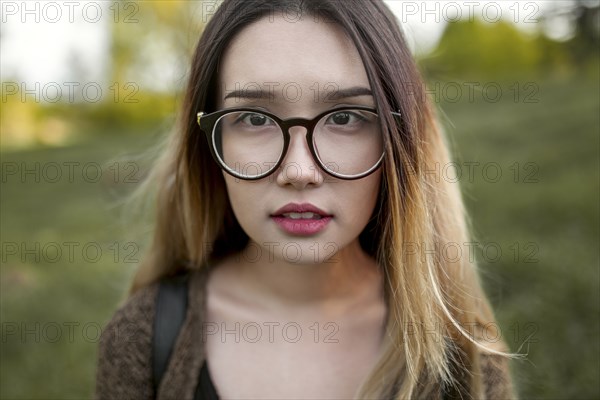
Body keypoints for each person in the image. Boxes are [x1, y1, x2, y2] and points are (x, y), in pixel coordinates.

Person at [95, 0, 516, 399]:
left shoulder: (465, 353)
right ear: (209, 144)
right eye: (255, 118)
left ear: (400, 142)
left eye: (345, 117)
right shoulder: (144, 337)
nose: (299, 171)